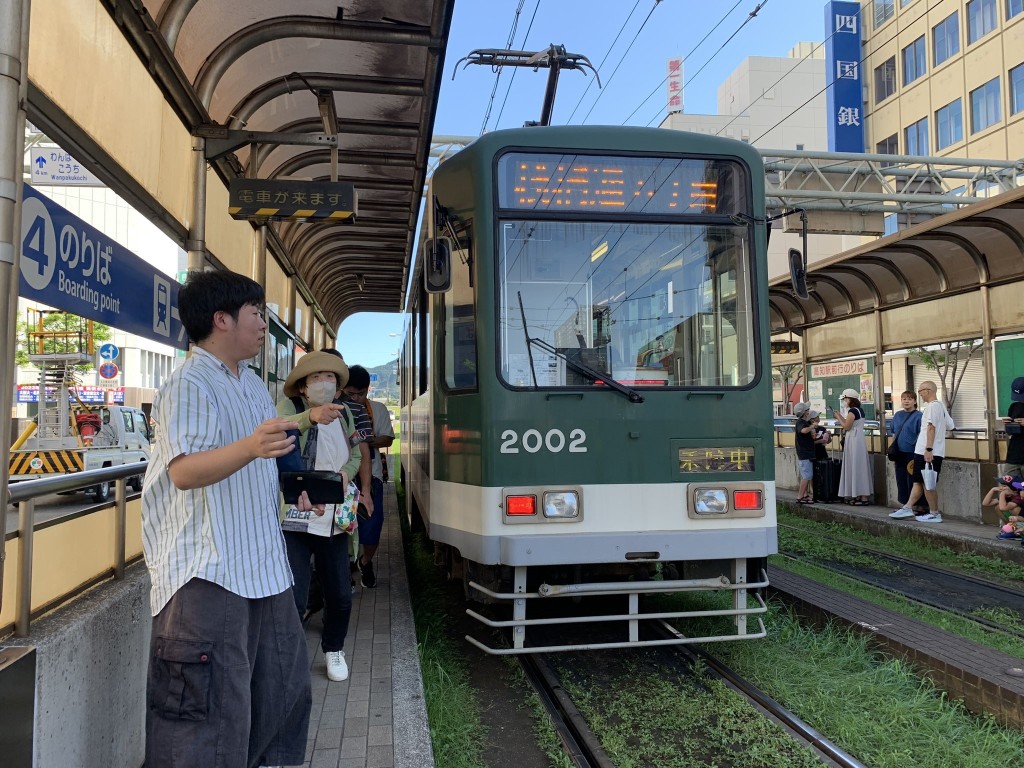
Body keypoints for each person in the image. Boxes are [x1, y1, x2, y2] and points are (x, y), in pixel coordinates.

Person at [141, 269, 312, 768]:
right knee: (206, 716)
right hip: (206, 573)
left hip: (262, 568)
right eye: (256, 314)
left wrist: (293, 491)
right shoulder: (188, 383)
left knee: (283, 691)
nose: (264, 324)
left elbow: (250, 471)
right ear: (221, 319)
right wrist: (253, 446)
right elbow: (185, 471)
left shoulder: (254, 384)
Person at [276, 351, 362, 683]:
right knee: (294, 595)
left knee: (340, 591)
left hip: (334, 515)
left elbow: (356, 453)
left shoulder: (346, 415)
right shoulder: (291, 409)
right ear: (302, 387)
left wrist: (344, 474)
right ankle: (288, 656)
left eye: (330, 378)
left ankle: (334, 648)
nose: (324, 383)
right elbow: (280, 430)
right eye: (316, 378)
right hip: (295, 516)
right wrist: (311, 417)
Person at [343, 365, 396, 588]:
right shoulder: (337, 409)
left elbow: (388, 439)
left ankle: (366, 561)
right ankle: (347, 571)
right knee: (344, 528)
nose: (355, 398)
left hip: (371, 477)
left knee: (373, 527)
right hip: (344, 479)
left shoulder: (378, 409)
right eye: (350, 393)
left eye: (360, 393)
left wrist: (363, 440)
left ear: (367, 390)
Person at [889, 380, 954, 523]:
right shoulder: (940, 406)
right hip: (925, 451)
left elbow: (931, 428)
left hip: (928, 451)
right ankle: (907, 507)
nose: (920, 395)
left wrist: (929, 449)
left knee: (927, 483)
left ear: (927, 390)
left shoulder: (931, 407)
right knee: (918, 481)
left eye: (920, 391)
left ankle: (934, 513)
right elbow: (950, 425)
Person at [888, 390, 923, 513]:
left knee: (913, 480)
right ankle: (905, 504)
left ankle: (917, 505)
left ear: (915, 401)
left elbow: (921, 434)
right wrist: (892, 448)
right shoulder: (897, 415)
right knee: (901, 479)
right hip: (899, 453)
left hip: (913, 453)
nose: (906, 401)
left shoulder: (919, 416)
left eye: (909, 399)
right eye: (904, 399)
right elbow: (893, 433)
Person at [836, 388, 873, 505]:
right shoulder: (859, 410)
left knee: (854, 466)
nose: (844, 401)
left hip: (853, 439)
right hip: (859, 439)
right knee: (860, 466)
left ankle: (860, 496)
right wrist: (840, 416)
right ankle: (862, 495)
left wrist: (838, 418)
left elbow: (847, 427)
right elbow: (849, 424)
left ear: (849, 399)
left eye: (845, 399)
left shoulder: (852, 411)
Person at [793, 402, 816, 503]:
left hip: (805, 453)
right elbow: (803, 431)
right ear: (804, 412)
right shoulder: (801, 422)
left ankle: (805, 495)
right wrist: (812, 427)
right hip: (805, 453)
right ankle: (800, 497)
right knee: (807, 476)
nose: (808, 411)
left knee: (806, 475)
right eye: (807, 410)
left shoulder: (802, 422)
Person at [1001, 376, 1024, 478]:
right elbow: (1010, 432)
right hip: (1014, 455)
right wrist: (1009, 424)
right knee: (1010, 487)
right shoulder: (1014, 407)